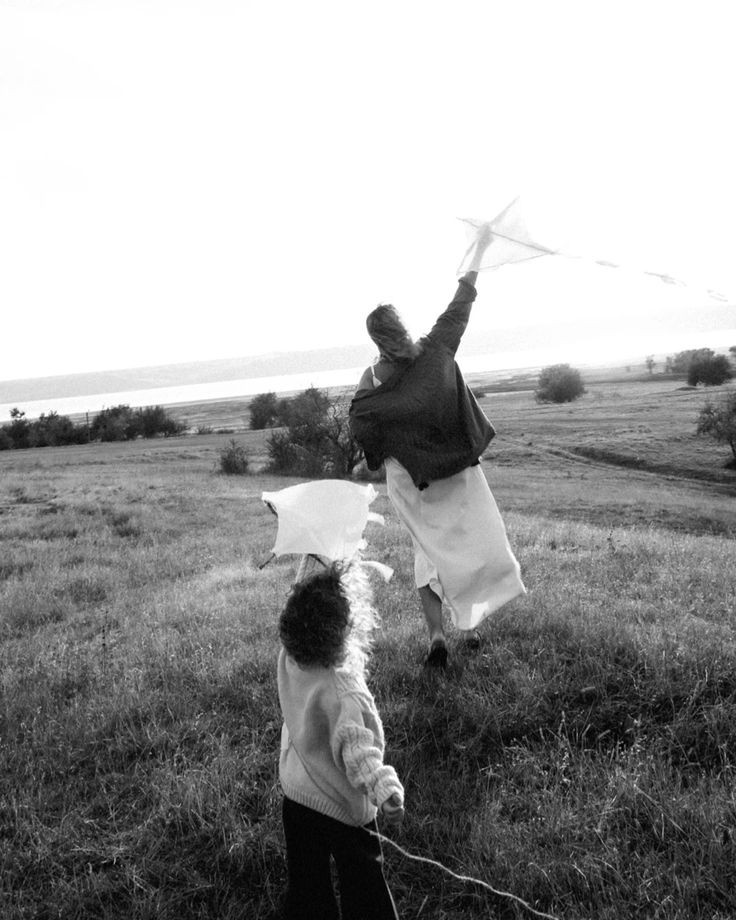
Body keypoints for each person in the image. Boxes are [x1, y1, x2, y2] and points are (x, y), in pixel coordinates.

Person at [349, 227, 526, 668]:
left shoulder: (373, 379)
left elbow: (361, 421)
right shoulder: (437, 347)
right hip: (458, 471)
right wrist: (480, 249)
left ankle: (436, 635)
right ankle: (472, 624)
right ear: (402, 326)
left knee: (427, 553)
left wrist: (372, 459)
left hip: (413, 480)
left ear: (376, 340)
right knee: (471, 545)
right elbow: (462, 301)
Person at [277, 560, 405, 920]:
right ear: (345, 629)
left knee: (307, 882)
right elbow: (359, 752)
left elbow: (301, 601)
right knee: (364, 882)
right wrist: (384, 790)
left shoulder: (290, 660)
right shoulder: (343, 691)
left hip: (297, 797)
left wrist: (309, 576)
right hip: (341, 806)